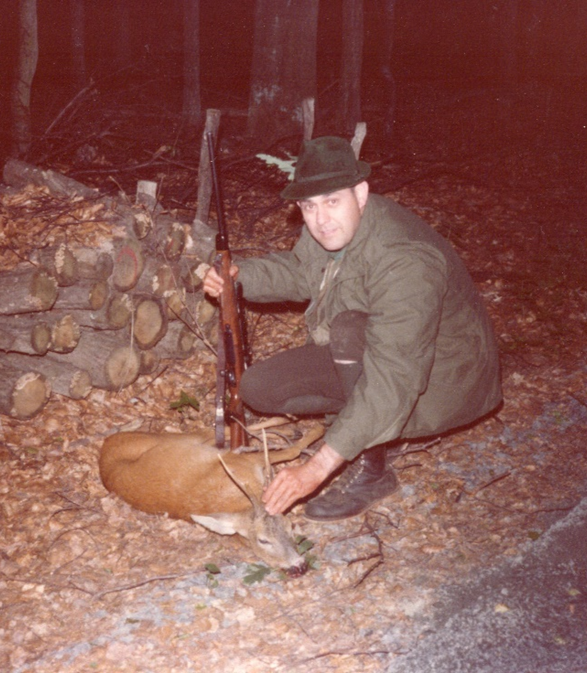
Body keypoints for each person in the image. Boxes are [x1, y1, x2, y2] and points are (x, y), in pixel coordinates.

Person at [203, 136, 502, 522]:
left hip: (442, 379)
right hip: (378, 353)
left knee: (347, 332)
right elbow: (300, 271)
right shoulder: (332, 231)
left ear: (360, 194)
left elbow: (395, 376)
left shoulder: (405, 260)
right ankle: (362, 428)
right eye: (309, 206)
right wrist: (238, 278)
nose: (320, 219)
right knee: (260, 387)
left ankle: (371, 467)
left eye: (332, 201)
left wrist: (319, 467)